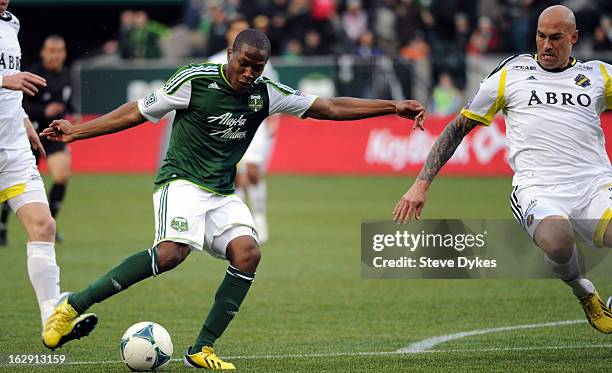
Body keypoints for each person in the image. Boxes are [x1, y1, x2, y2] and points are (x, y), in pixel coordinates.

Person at [40, 29, 425, 368]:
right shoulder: (194, 80)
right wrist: (77, 133)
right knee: (171, 253)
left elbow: (329, 106)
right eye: (244, 64)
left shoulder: (265, 92)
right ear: (230, 54)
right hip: (182, 181)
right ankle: (72, 305)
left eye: (257, 68)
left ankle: (202, 348)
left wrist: (393, 108)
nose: (249, 74)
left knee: (248, 253)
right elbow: (136, 113)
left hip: (222, 191)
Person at [395, 5, 612, 334]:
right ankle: (584, 292)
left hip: (594, 184)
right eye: (541, 36)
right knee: (557, 243)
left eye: (556, 38)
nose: (547, 45)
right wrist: (421, 183)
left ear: (574, 38)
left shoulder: (600, 75)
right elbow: (458, 128)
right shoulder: (512, 74)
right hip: (538, 188)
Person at [0, 0, 97, 341]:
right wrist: (2, 80)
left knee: (43, 225)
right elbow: (6, 81)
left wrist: (25, 121)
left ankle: (52, 322)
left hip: (12, 149)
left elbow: (9, 91)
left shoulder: (11, 24)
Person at [208, 15, 277, 243]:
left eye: (242, 29)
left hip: (255, 125)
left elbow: (273, 92)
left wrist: (273, 119)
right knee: (237, 175)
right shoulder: (214, 61)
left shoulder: (261, 60)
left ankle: (260, 216)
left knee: (254, 172)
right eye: (234, 29)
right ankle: (241, 221)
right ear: (228, 35)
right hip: (228, 124)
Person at [0, 35, 74, 246]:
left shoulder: (66, 74)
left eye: (60, 51)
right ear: (43, 52)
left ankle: (50, 222)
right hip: (27, 132)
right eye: (51, 50)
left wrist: (73, 112)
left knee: (61, 175)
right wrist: (43, 110)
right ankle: (3, 224)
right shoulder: (32, 74)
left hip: (52, 134)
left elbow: (66, 100)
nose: (56, 55)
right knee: (15, 183)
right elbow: (17, 104)